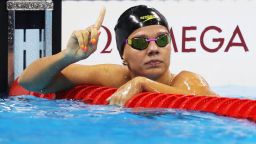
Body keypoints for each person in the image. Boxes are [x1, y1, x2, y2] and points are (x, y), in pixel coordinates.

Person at [18, 5, 217, 106]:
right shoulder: (115, 77)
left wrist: (142, 83)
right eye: (140, 42)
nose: (154, 48)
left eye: (162, 39)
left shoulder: (187, 81)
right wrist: (67, 56)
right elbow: (29, 82)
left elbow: (207, 104)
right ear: (123, 54)